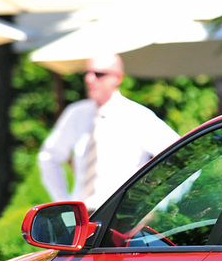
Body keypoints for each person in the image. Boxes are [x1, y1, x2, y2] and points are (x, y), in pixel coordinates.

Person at [38, 54, 179, 212]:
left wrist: (159, 205)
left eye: (99, 74)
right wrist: (62, 202)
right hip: (82, 215)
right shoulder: (76, 113)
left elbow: (180, 155)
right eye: (87, 72)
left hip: (120, 215)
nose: (89, 79)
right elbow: (48, 157)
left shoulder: (137, 116)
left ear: (118, 78)